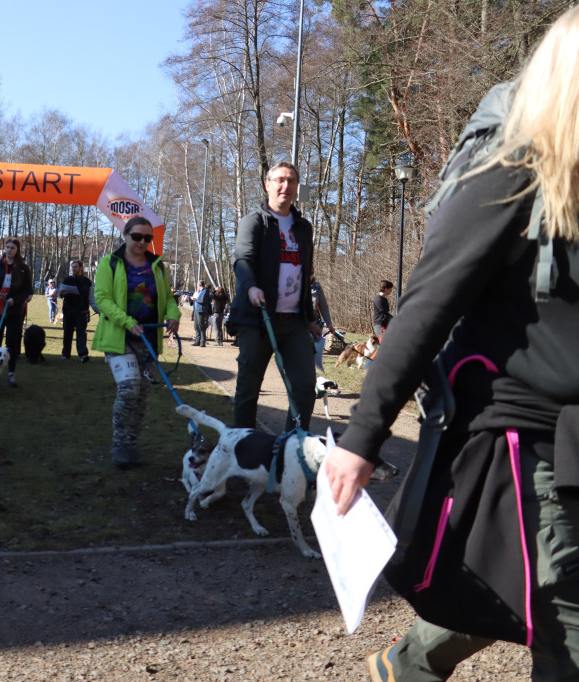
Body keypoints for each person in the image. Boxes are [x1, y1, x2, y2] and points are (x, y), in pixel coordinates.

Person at [327, 8, 579, 679]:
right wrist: (362, 437)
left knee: (516, 583)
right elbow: (427, 303)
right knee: (564, 615)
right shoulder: (513, 167)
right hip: (526, 445)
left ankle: (406, 664)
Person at [232, 161, 320, 431]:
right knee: (249, 388)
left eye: (291, 180)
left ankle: (293, 444)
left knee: (304, 387)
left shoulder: (303, 227)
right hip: (258, 321)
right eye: (280, 180)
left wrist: (310, 318)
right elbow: (242, 259)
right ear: (267, 185)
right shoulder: (254, 221)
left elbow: (306, 274)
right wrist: (251, 287)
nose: (286, 185)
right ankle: (242, 444)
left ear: (297, 187)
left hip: (294, 323)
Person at [92, 217, 181, 469]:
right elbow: (102, 299)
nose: (142, 242)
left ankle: (131, 445)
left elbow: (168, 298)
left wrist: (173, 315)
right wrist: (127, 322)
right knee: (130, 389)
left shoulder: (158, 266)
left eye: (147, 238)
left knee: (141, 394)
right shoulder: (109, 263)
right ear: (126, 235)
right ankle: (119, 445)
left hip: (148, 339)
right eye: (137, 236)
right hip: (119, 338)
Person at [0, 237, 33, 388]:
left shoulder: (23, 268)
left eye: (12, 248)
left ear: (17, 250)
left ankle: (11, 373)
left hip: (14, 311)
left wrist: (15, 300)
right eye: (7, 247)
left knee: (12, 342)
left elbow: (27, 290)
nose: (9, 250)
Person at [59, 259, 98, 362]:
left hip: (82, 312)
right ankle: (65, 354)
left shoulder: (87, 282)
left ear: (81, 268)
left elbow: (91, 298)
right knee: (67, 333)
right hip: (68, 311)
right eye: (72, 267)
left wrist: (97, 310)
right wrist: (61, 293)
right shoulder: (67, 280)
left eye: (75, 267)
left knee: (81, 334)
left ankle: (83, 355)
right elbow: (60, 295)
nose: (73, 269)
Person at [192, 281, 211, 346]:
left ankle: (202, 342)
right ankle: (197, 341)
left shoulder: (205, 291)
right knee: (196, 326)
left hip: (201, 310)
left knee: (201, 326)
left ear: (198, 284)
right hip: (196, 310)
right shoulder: (199, 291)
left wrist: (194, 299)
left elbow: (202, 300)